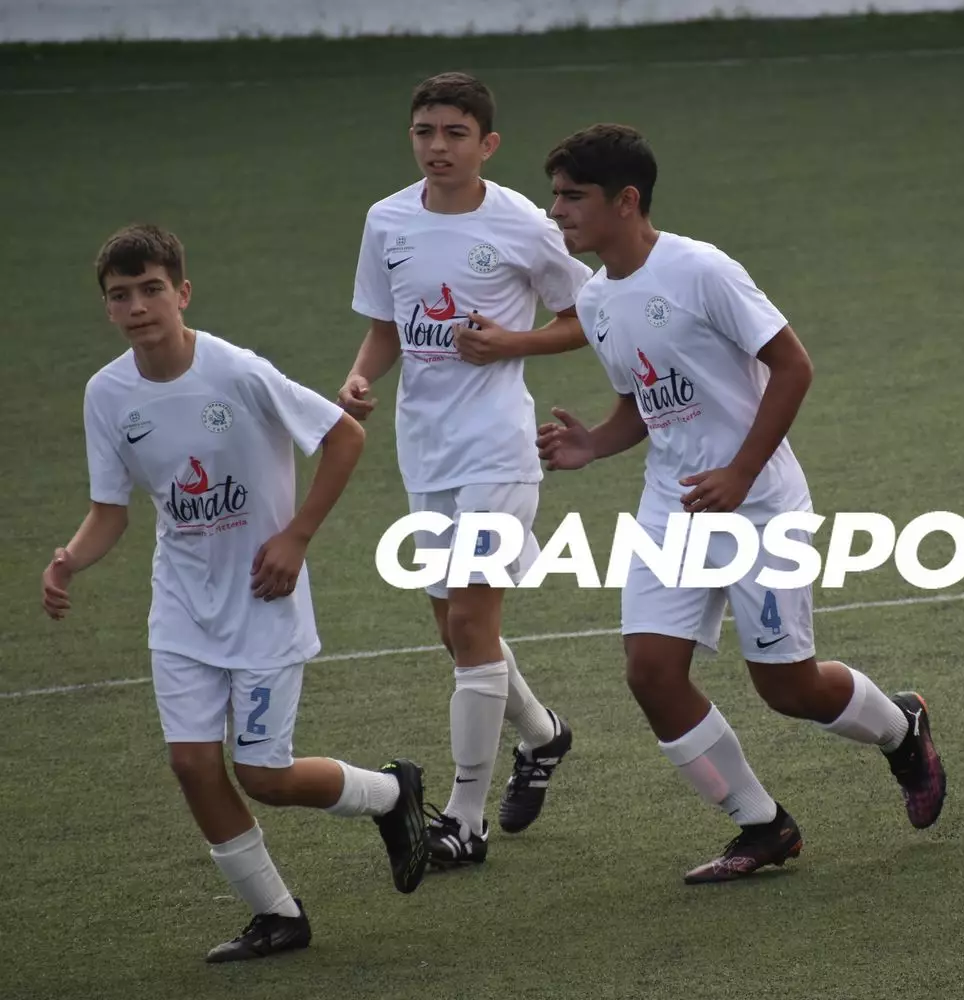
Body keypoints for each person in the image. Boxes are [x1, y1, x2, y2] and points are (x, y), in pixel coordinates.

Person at [535, 123, 946, 883]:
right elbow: (643, 404)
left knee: (788, 688)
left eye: (572, 196)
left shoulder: (701, 270)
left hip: (760, 506)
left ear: (626, 201)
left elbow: (793, 367)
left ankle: (901, 727)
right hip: (674, 506)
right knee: (650, 673)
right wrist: (594, 442)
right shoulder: (594, 300)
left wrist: (740, 473)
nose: (556, 210)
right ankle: (762, 825)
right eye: (555, 195)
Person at [43, 224, 429, 962]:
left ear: (182, 293)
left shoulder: (237, 371)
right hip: (181, 606)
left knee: (264, 777)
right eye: (120, 296)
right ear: (108, 307)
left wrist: (297, 537)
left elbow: (344, 436)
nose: (137, 307)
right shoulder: (107, 394)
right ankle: (276, 916)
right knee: (192, 764)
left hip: (262, 600)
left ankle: (390, 794)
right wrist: (67, 561)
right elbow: (109, 510)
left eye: (151, 289)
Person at [341, 72, 591, 865]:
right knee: (454, 631)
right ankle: (543, 735)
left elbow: (588, 316)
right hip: (424, 449)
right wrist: (359, 379)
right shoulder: (386, 220)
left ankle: (465, 818)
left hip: (496, 448)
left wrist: (513, 343)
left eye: (455, 133)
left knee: (475, 629)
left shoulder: (523, 223)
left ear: (488, 144)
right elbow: (387, 326)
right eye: (425, 132)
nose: (437, 147)